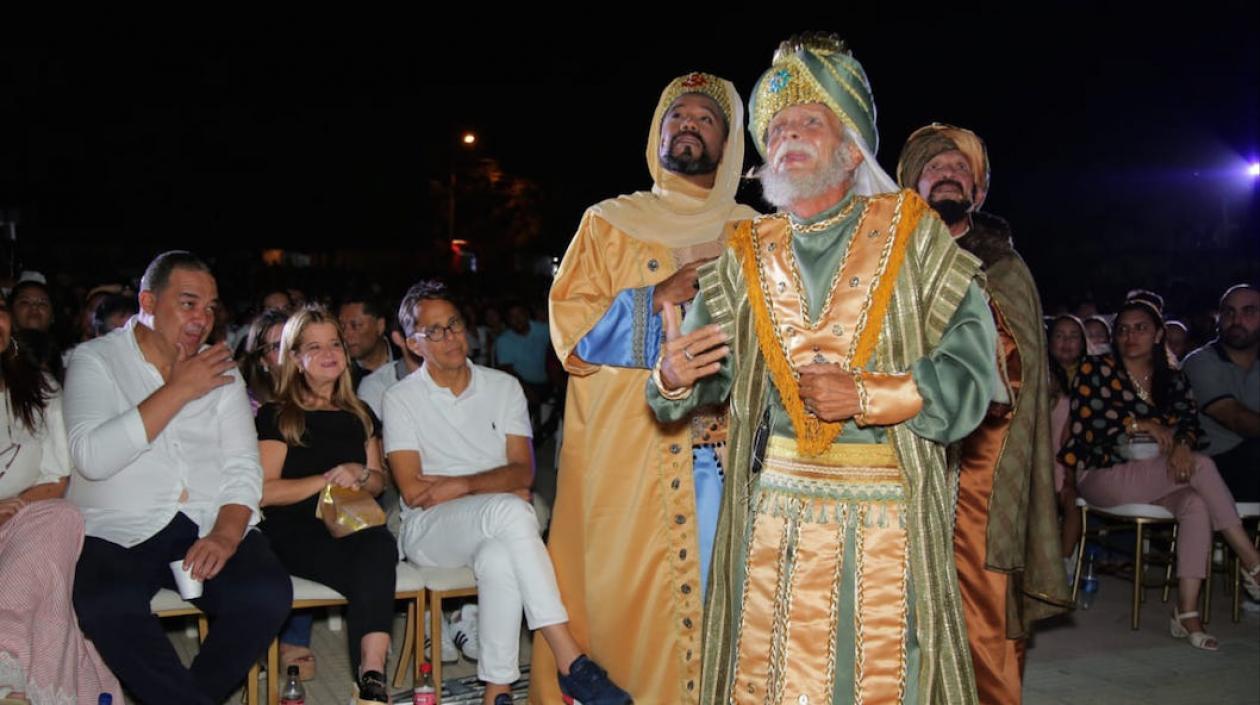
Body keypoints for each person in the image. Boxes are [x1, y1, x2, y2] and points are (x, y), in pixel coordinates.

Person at [651, 34, 996, 705]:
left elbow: (973, 371)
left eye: (811, 121)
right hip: (772, 521)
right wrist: (670, 376)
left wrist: (870, 394)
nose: (788, 136)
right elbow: (692, 379)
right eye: (777, 127)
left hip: (886, 515)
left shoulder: (914, 231)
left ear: (850, 147)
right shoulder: (744, 252)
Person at [536, 70, 759, 705]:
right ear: (656, 133)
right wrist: (653, 298)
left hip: (722, 452)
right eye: (676, 117)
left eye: (706, 119)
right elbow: (569, 331)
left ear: (730, 143)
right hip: (628, 453)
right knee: (623, 597)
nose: (688, 125)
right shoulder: (608, 223)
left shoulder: (754, 232)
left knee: (727, 593)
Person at [63, 251, 292, 705]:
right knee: (104, 604)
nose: (201, 318)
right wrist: (179, 389)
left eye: (210, 308)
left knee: (265, 595)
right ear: (147, 301)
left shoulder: (220, 368)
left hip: (207, 518)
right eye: (188, 303)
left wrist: (227, 535)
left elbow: (243, 466)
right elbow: (91, 458)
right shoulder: (94, 360)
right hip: (118, 525)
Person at [385, 281, 629, 705]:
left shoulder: (503, 387)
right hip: (429, 531)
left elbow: (525, 472)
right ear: (414, 344)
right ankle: (569, 658)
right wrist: (496, 486)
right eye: (435, 331)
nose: (451, 337)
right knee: (513, 511)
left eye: (455, 324)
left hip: (486, 522)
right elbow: (412, 489)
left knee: (502, 553)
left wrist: (459, 484)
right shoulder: (400, 398)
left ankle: (496, 690)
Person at [897, 124, 1069, 703]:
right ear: (911, 183)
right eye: (936, 169)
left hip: (982, 462)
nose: (950, 176)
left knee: (983, 599)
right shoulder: (885, 256)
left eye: (961, 171)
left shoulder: (1005, 266)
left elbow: (1024, 374)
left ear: (978, 189)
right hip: (897, 447)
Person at [1058, 299, 1260, 651]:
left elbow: (1190, 426)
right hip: (1106, 474)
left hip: (1160, 473)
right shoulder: (1097, 369)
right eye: (1122, 329)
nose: (1129, 336)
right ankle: (1251, 561)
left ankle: (1187, 611)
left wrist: (1181, 442)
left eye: (1140, 328)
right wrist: (1142, 423)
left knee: (1196, 504)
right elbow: (1091, 424)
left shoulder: (1173, 378)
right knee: (1203, 465)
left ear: (1157, 335)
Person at [256, 305, 396, 703]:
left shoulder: (360, 414)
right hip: (292, 530)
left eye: (334, 343)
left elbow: (379, 482)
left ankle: (372, 675)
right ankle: (370, 682)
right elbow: (264, 491)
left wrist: (359, 472)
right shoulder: (278, 415)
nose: (328, 353)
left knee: (379, 545)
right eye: (313, 347)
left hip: (350, 523)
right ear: (295, 358)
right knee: (372, 566)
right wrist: (325, 479)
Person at [0, 296, 122, 705]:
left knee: (63, 517)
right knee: (47, 593)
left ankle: (5, 664)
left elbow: (57, 478)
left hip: (22, 525)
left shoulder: (37, 386)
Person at [1182, 284, 1259, 501]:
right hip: (1212, 464)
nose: (1236, 321)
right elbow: (1234, 417)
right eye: (1229, 312)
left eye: (1249, 312)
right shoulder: (1200, 362)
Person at [339, 293, 397, 386]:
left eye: (355, 325)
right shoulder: (341, 375)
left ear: (380, 326)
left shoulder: (407, 357)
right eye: (342, 327)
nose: (345, 335)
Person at [239, 309, 290, 414]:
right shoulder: (249, 407)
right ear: (262, 360)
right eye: (278, 346)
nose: (289, 351)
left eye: (292, 341)